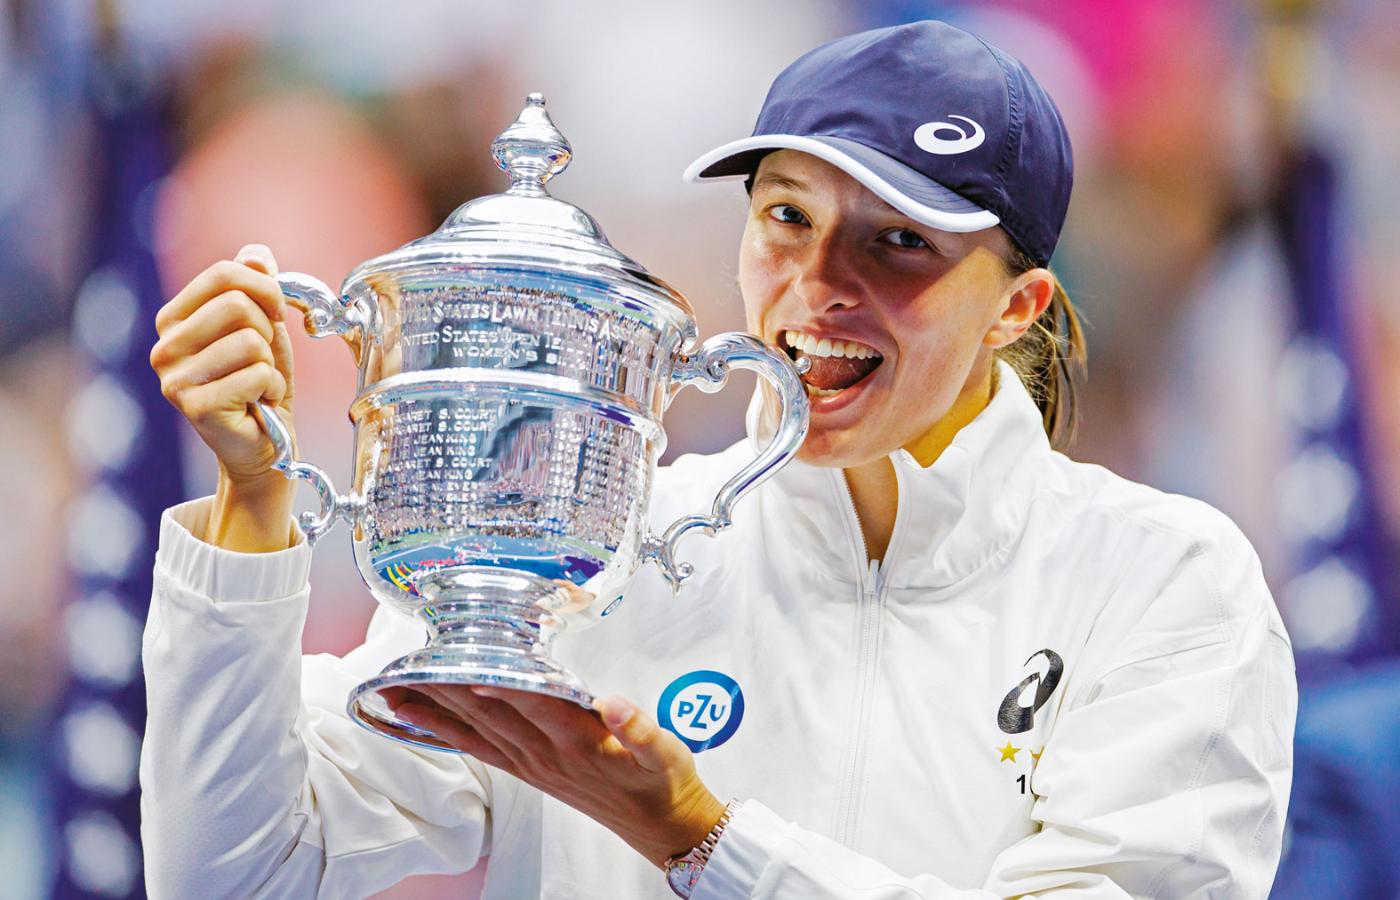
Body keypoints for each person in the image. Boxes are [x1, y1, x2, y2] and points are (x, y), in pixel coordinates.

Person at [142, 21, 1296, 900]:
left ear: (1016, 306)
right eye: (787, 217)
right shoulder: (588, 548)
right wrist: (251, 509)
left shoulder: (1162, 585)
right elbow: (235, 871)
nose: (820, 284)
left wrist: (699, 840)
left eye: (899, 242)